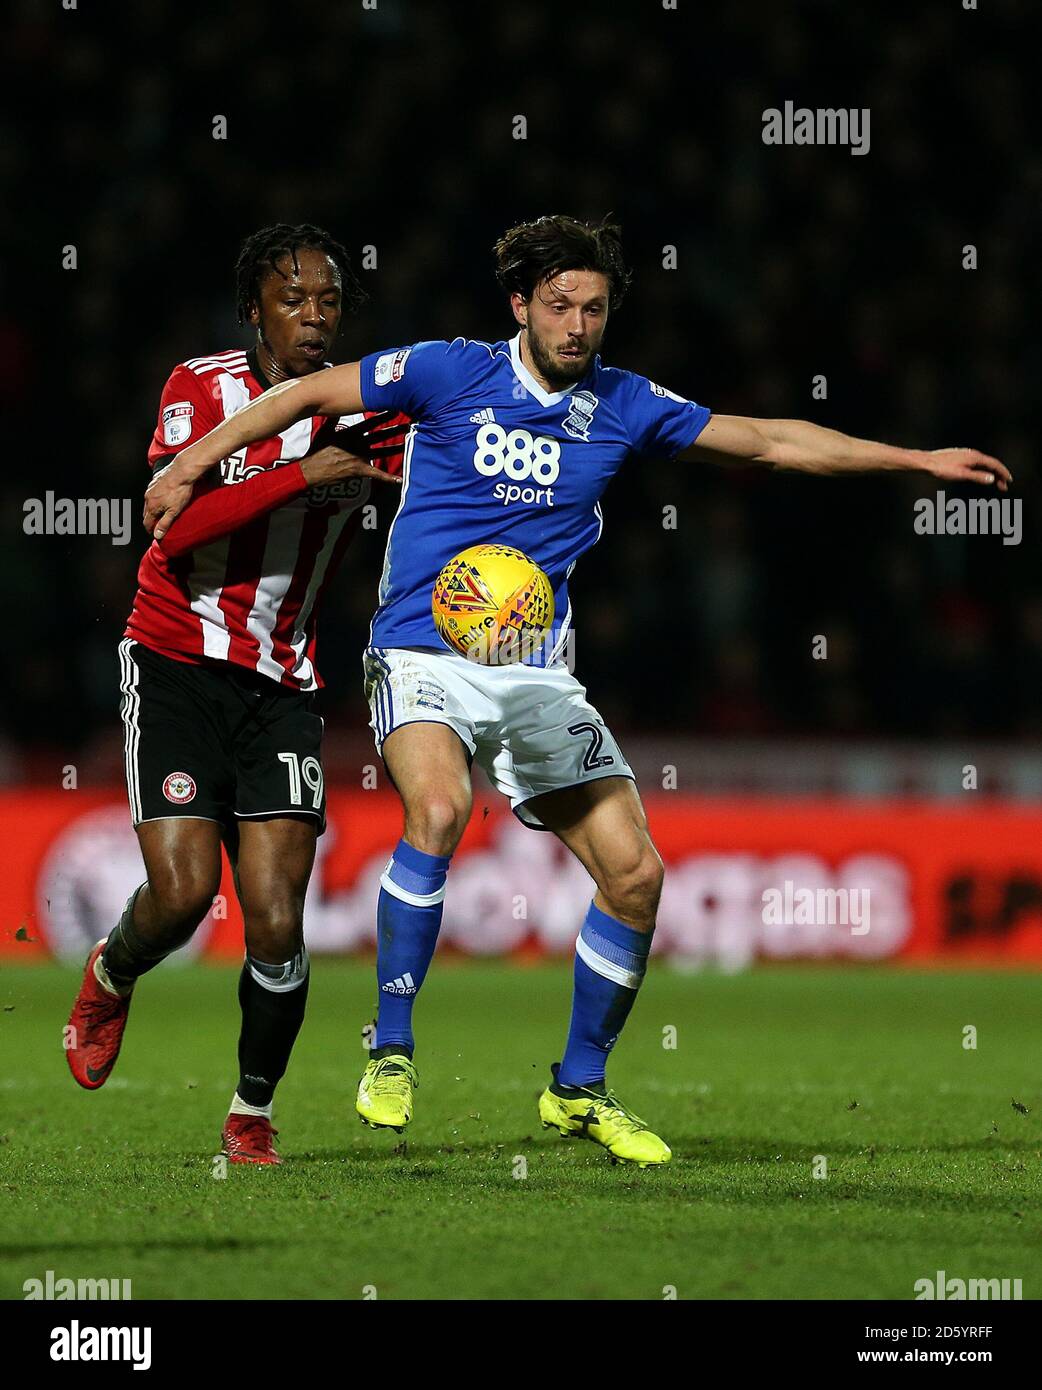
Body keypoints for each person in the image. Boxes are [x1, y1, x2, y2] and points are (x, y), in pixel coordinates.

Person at [143, 214, 1009, 1167]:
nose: (578, 325)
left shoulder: (628, 403)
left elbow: (767, 440)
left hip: (536, 672)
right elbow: (305, 392)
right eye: (559, 305)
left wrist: (915, 462)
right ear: (521, 306)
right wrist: (189, 464)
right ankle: (390, 1049)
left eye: (594, 309)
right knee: (437, 807)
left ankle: (579, 1088)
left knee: (636, 876)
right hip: (422, 651)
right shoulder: (447, 371)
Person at [66, 223, 404, 1165]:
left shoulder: (369, 411)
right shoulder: (201, 387)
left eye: (328, 301)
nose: (312, 316)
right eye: (292, 300)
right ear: (252, 311)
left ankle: (251, 1111)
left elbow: (443, 474)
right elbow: (174, 527)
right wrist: (302, 474)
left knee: (278, 919)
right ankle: (111, 969)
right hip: (175, 661)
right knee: (181, 897)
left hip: (283, 683)